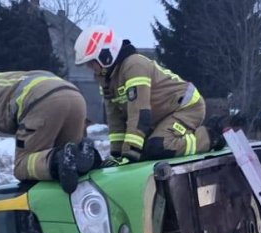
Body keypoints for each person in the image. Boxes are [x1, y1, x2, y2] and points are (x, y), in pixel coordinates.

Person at [73, 25, 223, 165]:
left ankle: (210, 137)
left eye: (91, 62)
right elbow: (115, 120)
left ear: (106, 54)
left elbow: (139, 112)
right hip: (162, 115)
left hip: (186, 107)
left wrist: (130, 152)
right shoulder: (106, 80)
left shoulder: (134, 66)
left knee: (158, 147)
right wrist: (117, 154)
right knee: (144, 151)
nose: (90, 68)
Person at [0, 69, 99, 195]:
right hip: (75, 97)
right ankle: (85, 153)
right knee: (71, 163)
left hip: (44, 101)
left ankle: (59, 158)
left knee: (23, 166)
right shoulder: (2, 81)